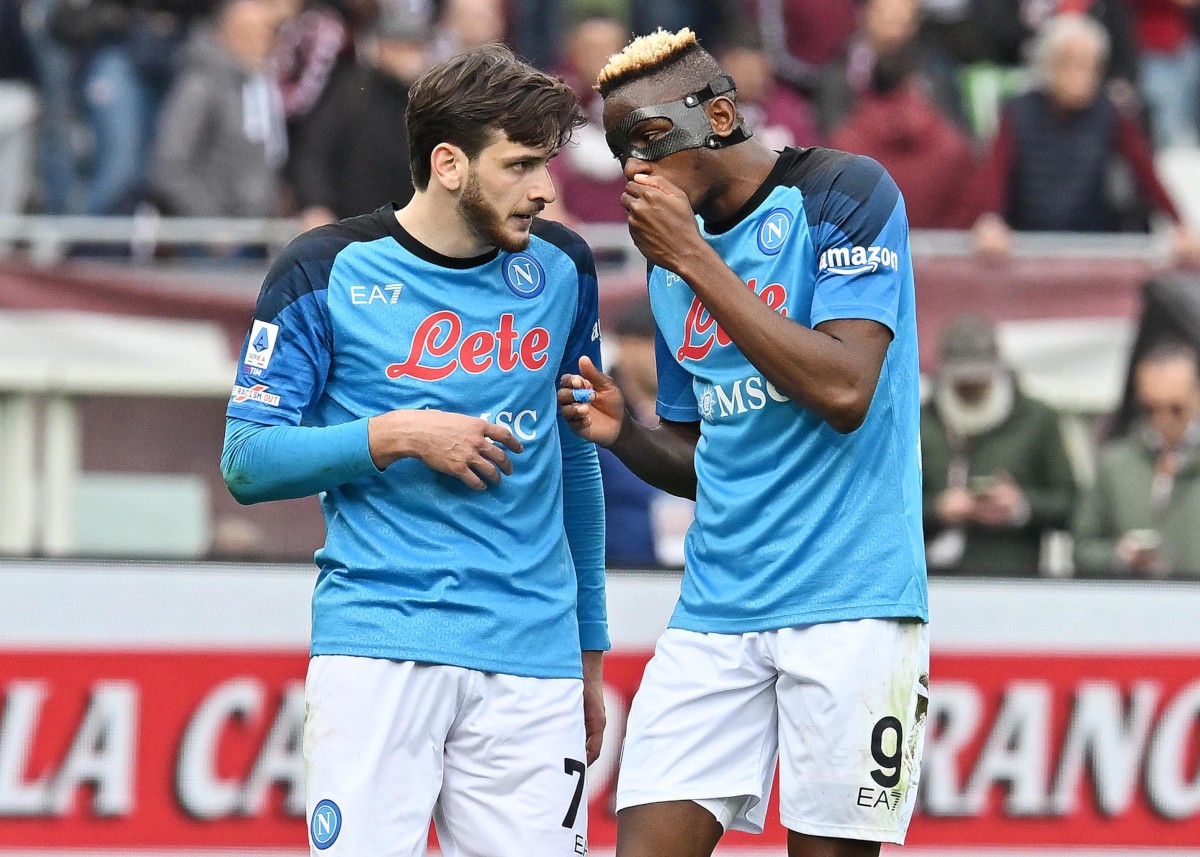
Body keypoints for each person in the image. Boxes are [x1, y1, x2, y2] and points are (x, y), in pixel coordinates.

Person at [220, 44, 608, 855]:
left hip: (533, 659)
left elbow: (576, 458)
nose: (544, 188)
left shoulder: (565, 268)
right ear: (448, 164)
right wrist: (398, 434)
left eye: (549, 164)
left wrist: (591, 651)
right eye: (522, 164)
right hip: (379, 645)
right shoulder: (322, 271)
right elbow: (248, 459)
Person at [559, 27, 929, 857]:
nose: (635, 173)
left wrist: (695, 259)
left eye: (649, 141)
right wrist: (626, 435)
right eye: (620, 152)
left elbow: (844, 389)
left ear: (719, 113)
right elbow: (706, 461)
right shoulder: (668, 272)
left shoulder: (846, 193)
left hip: (850, 600)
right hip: (717, 608)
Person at [971, 13, 1200, 264]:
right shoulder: (1018, 112)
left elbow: (1145, 171)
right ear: (1049, 63)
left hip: (1090, 245)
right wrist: (990, 220)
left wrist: (1179, 224)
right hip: (1025, 245)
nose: (1081, 75)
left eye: (1091, 65)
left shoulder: (1109, 114)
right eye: (1072, 63)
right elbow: (994, 173)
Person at [920, 313, 1077, 576]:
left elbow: (1072, 504)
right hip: (932, 578)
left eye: (977, 376)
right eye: (962, 378)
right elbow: (887, 510)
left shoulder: (1036, 420)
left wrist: (1021, 507)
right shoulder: (921, 421)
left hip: (1012, 577)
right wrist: (937, 510)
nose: (970, 385)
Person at [290, 0, 432, 228]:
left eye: (417, 47)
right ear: (379, 47)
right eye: (400, 46)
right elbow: (314, 152)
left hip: (413, 230)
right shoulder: (352, 91)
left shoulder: (432, 100)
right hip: (355, 226)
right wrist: (316, 204)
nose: (410, 57)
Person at [150, 0, 289, 220]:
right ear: (230, 31)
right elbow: (170, 167)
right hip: (212, 241)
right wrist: (211, 222)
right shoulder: (200, 84)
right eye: (258, 33)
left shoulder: (260, 86)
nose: (268, 41)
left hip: (256, 233)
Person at [1074, 341, 1200, 578]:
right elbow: (1082, 549)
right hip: (1135, 606)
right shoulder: (1114, 464)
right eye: (1151, 408)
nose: (1163, 420)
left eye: (1176, 408)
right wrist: (1119, 556)